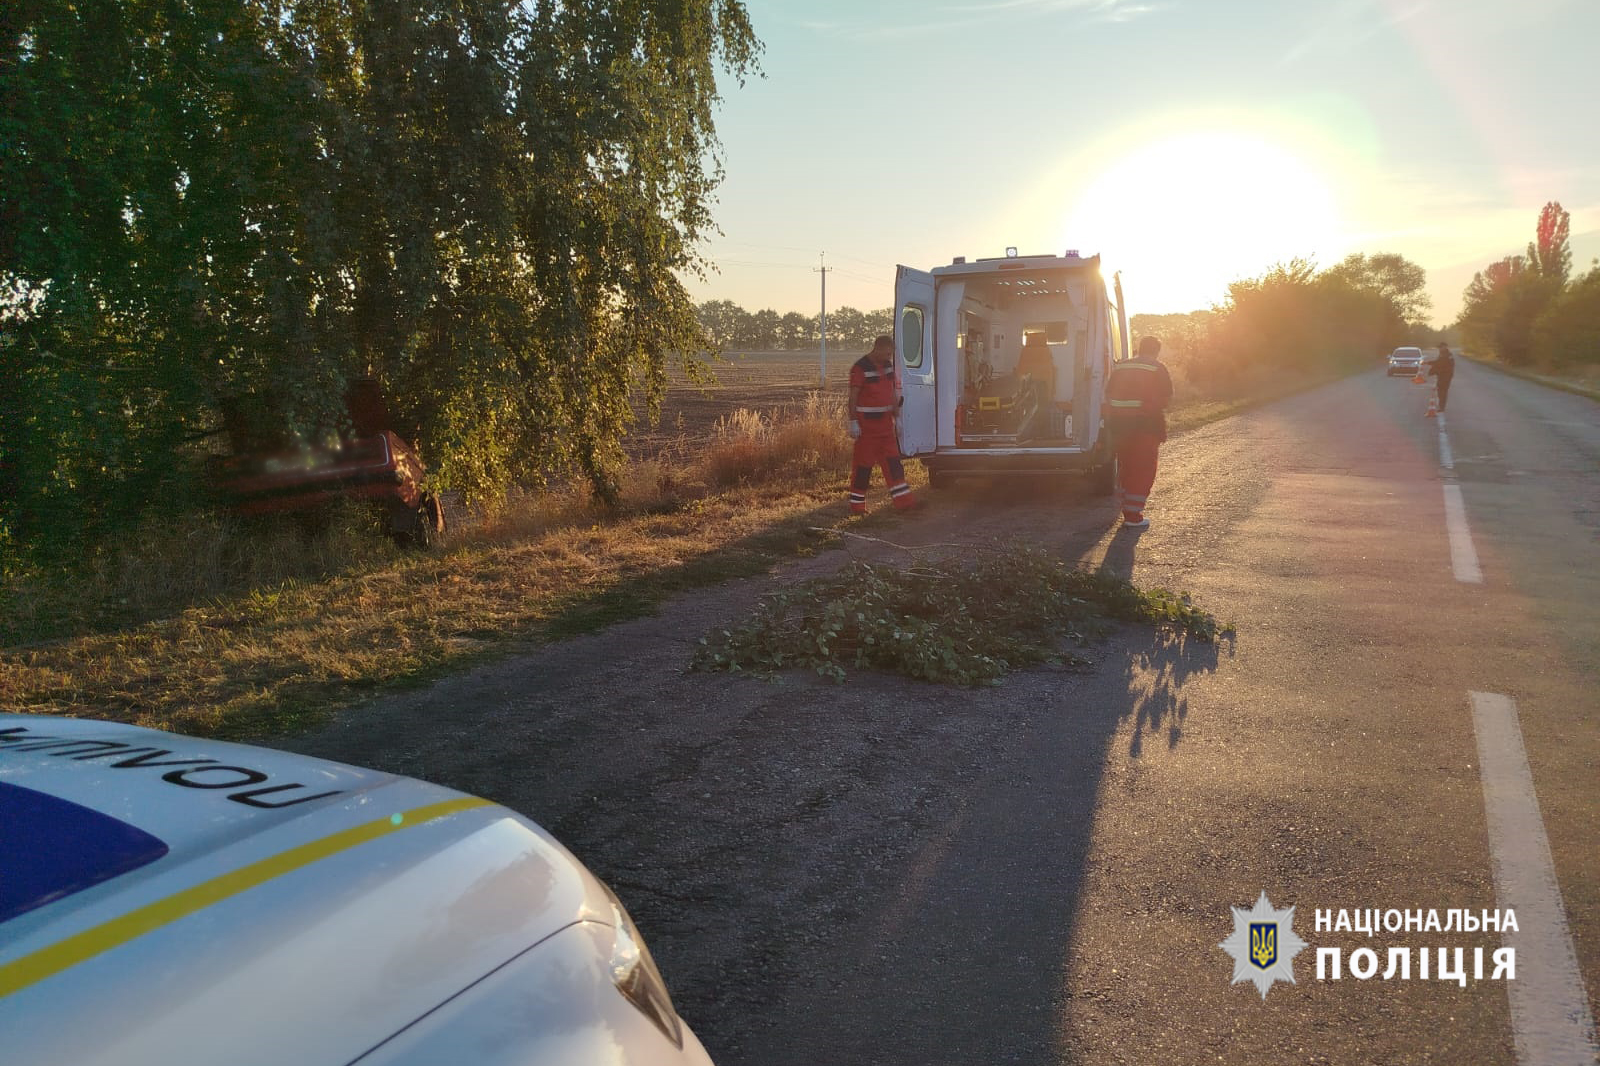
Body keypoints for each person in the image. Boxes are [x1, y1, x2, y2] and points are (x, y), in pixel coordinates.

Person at [1105, 336, 1173, 529]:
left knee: (1126, 466)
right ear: (1156, 351)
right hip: (1145, 426)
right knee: (1143, 469)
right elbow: (1166, 398)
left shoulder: (1121, 367)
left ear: (1139, 349)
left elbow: (1108, 394)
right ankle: (1133, 516)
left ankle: (1125, 506)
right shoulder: (1157, 367)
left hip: (1119, 427)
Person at [847, 335, 917, 515]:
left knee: (894, 465)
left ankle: (904, 503)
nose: (889, 357)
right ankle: (857, 507)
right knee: (863, 468)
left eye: (891, 354)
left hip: (886, 427)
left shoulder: (887, 366)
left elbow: (892, 392)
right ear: (877, 348)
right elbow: (853, 396)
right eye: (886, 353)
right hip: (867, 429)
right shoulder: (860, 368)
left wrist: (897, 417)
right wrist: (853, 421)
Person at [1429, 342, 1456, 412]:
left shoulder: (1448, 355)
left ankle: (1442, 407)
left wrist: (1429, 364)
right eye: (1439, 347)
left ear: (1445, 347)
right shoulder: (1442, 354)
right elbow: (1438, 363)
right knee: (1440, 391)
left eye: (1440, 347)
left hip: (1446, 376)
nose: (1439, 349)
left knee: (1443, 392)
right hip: (1441, 375)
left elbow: (1440, 363)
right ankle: (1441, 406)